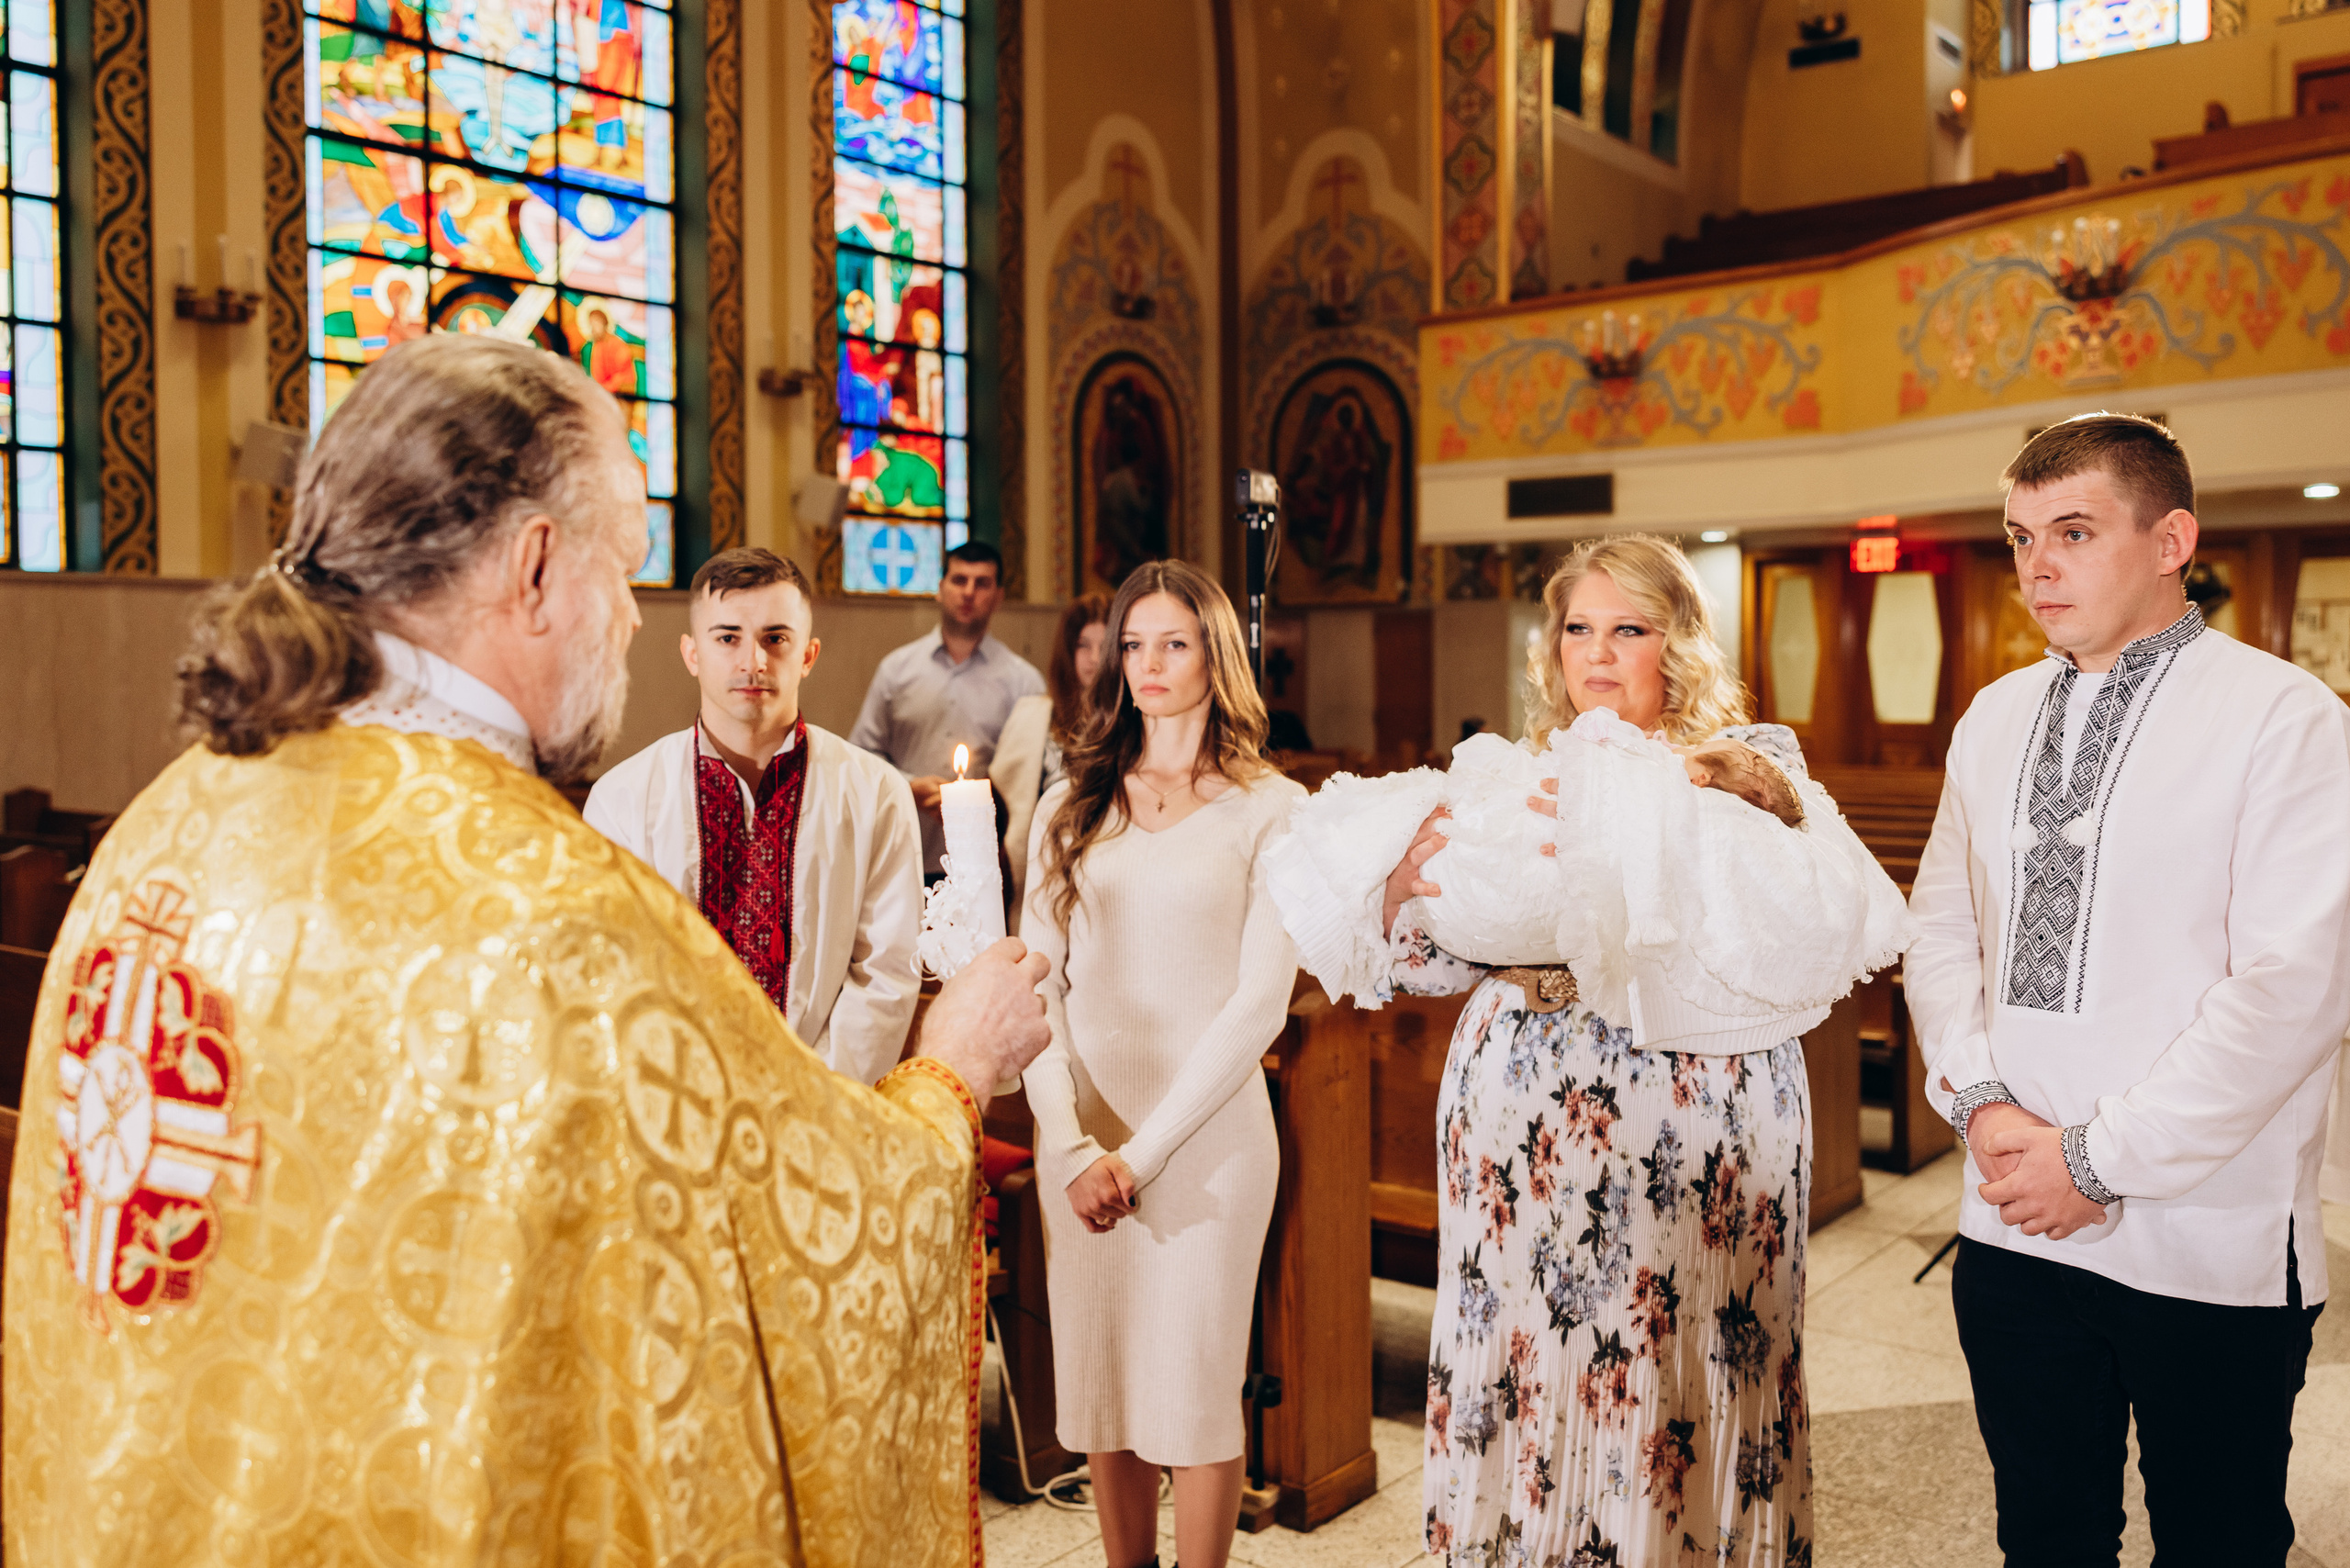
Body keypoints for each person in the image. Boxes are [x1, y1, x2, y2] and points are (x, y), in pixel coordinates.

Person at [6, 335, 1051, 1566]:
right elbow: (808, 1246)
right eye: (624, 570)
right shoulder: (556, 917)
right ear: (541, 566)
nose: (626, 617)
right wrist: (952, 1074)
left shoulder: (168, 827)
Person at [1379, 535, 1894, 1568]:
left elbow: (1824, 875)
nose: (1598, 653)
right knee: (1530, 1359)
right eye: (1578, 628)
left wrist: (1709, 777)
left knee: (1660, 1361)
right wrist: (1402, 897)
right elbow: (1424, 963)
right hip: (1518, 1111)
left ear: (1679, 644)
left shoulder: (1752, 758)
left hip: (1680, 1107)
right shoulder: (1513, 775)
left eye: (1629, 629)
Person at [1907, 413, 2350, 1566]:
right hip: (2011, 1221)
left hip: (2206, 1236)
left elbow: (2292, 989)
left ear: (2170, 540)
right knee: (2044, 1537)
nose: (2036, 565)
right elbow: (1942, 927)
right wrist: (1985, 1107)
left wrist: (2095, 1161)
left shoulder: (2284, 716)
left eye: (2071, 530)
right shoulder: (1994, 716)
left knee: (2219, 1540)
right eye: (2017, 537)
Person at [1020, 560, 1304, 1568]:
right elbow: (1035, 988)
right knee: (1100, 1386)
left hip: (1207, 1144)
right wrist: (1068, 1145)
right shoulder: (1071, 802)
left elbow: (1257, 1004)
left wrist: (1133, 1159)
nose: (1148, 663)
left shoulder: (1272, 810)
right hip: (1081, 1141)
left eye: (1173, 643)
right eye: (1133, 644)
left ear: (1216, 655)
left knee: (1192, 1387)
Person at [586, 546, 923, 1085]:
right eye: (728, 638)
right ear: (692, 653)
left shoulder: (876, 791)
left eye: (775, 638)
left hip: (825, 1103)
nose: (753, 662)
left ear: (808, 655)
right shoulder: (621, 798)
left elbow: (885, 968)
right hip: (673, 1098)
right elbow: (616, 967)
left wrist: (809, 1095)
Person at [850, 539, 1045, 879]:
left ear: (998, 597)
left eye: (982, 583)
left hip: (985, 862)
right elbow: (860, 758)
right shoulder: (896, 670)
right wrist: (908, 784)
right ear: (940, 588)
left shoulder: (1023, 682)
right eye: (959, 580)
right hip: (905, 854)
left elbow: (1030, 781)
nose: (968, 592)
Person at [991, 590, 1111, 924]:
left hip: (1109, 868)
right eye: (1083, 645)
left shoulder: (1134, 721)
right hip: (1044, 868)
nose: (1095, 657)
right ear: (1067, 651)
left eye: (1105, 645)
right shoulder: (1035, 716)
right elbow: (1006, 801)